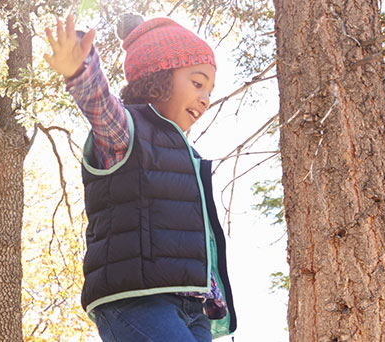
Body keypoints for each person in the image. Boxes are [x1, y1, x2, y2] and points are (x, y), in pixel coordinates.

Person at [42, 13, 238, 341]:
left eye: (210, 89)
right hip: (138, 298)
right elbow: (100, 106)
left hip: (193, 305)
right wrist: (80, 69)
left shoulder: (188, 155)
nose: (206, 98)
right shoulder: (128, 131)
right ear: (158, 78)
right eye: (197, 82)